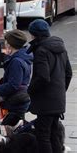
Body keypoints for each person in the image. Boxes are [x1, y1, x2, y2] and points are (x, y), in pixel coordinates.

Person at [27, 19, 72, 153]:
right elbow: (68, 73)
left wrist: (30, 90)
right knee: (53, 134)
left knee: (43, 136)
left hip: (45, 102)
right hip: (57, 100)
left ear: (35, 35)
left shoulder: (41, 50)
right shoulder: (61, 48)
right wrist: (60, 91)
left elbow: (43, 77)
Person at [0, 29, 33, 128]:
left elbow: (13, 85)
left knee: (13, 131)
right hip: (21, 98)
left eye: (6, 42)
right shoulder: (23, 55)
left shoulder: (16, 61)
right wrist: (3, 42)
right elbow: (5, 58)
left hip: (16, 100)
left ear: (10, 44)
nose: (5, 43)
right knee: (18, 128)